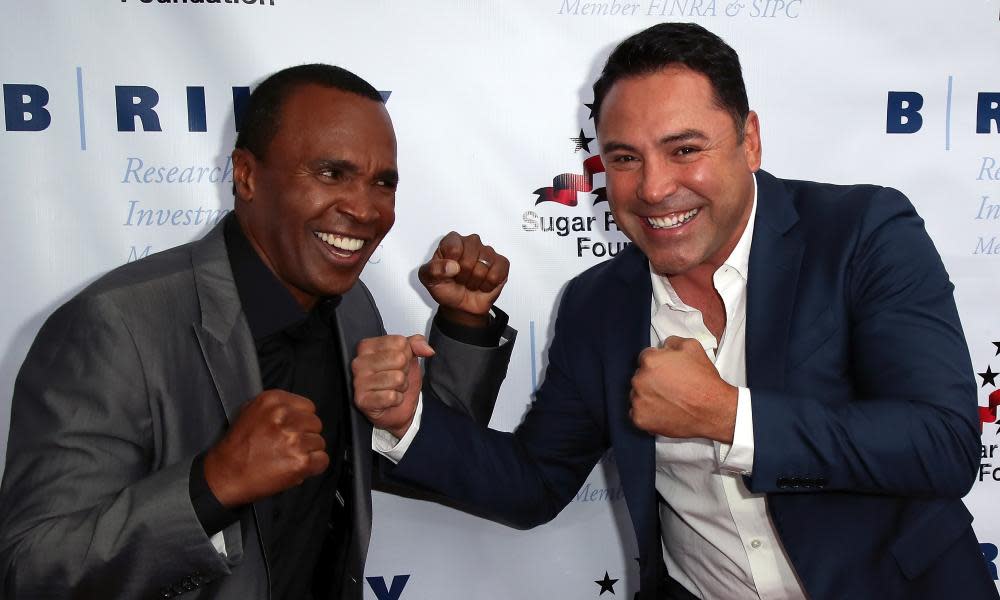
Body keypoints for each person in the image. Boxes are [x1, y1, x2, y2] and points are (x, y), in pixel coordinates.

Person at [354, 23, 998, 600]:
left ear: (749, 140)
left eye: (685, 149)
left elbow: (942, 445)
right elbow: (535, 482)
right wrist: (408, 419)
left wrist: (727, 416)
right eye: (625, 159)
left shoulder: (861, 232)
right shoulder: (598, 304)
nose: (654, 188)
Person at [0, 64, 515, 600]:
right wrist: (211, 487)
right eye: (331, 174)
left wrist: (463, 323)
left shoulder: (352, 308)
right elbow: (31, 569)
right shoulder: (114, 325)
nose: (364, 209)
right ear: (245, 175)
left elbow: (431, 460)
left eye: (382, 182)